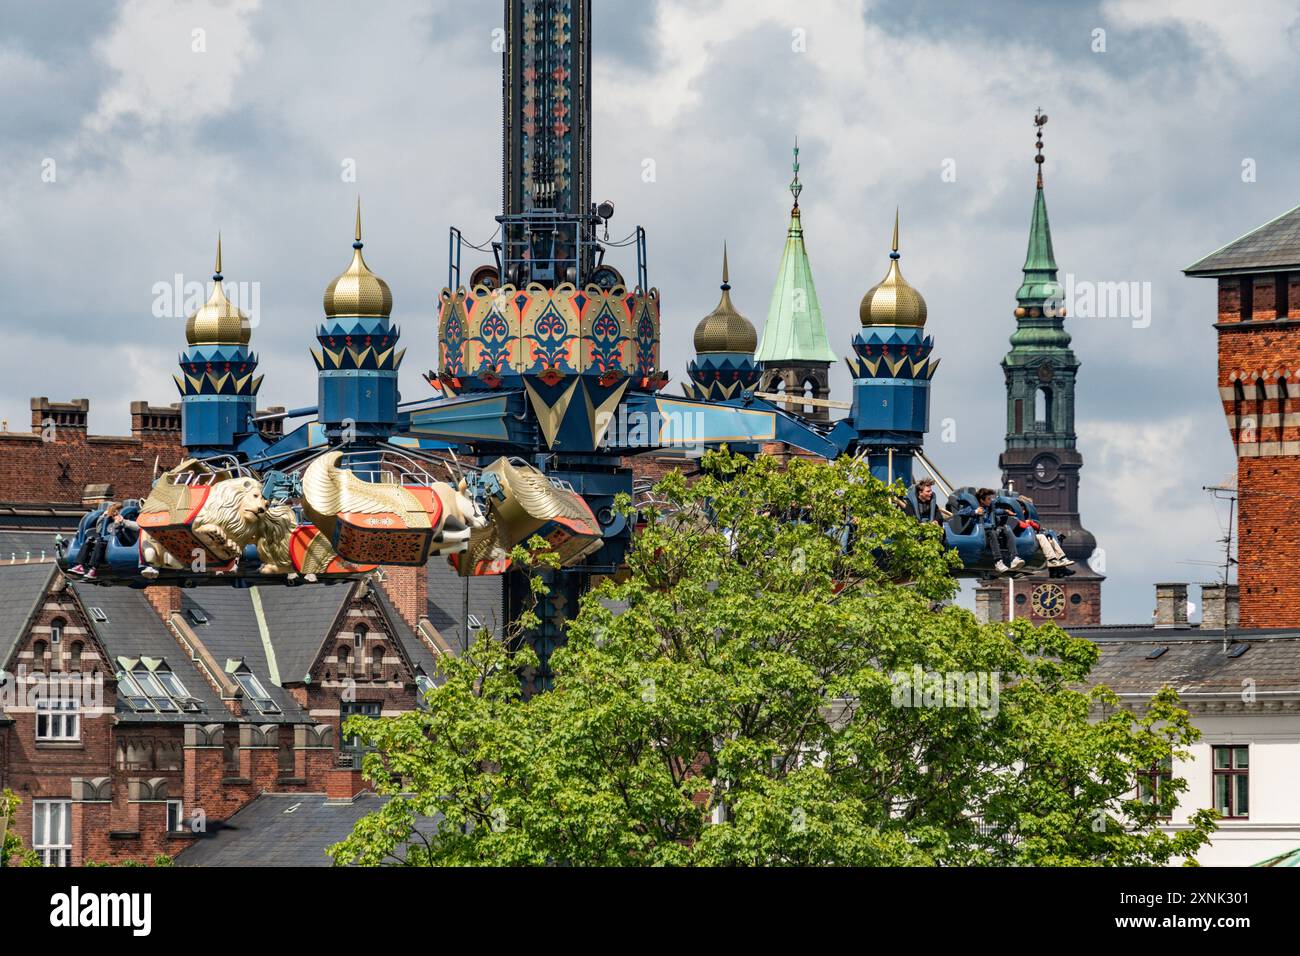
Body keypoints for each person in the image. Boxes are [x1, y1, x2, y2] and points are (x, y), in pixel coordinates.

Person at [957, 488, 1024, 574]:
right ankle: (998, 562)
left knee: (1007, 529)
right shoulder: (974, 507)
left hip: (992, 528)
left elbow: (996, 511)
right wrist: (975, 512)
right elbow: (960, 513)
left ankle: (1014, 558)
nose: (990, 500)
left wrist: (1006, 511)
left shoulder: (989, 508)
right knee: (991, 532)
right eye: (988, 499)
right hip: (982, 532)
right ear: (982, 500)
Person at [1014, 495, 1074, 570]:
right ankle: (1051, 560)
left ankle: (1062, 557)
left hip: (1030, 535)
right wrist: (1028, 523)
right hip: (1022, 536)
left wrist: (1030, 523)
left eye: (1024, 509)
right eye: (1022, 509)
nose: (1024, 511)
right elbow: (1021, 525)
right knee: (1041, 537)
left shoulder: (1026, 518)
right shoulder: (1015, 516)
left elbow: (1037, 526)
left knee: (1049, 537)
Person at [68, 502, 121, 581]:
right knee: (89, 541)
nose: (115, 513)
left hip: (114, 542)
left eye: (117, 511)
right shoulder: (108, 520)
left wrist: (117, 523)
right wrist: (102, 517)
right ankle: (80, 566)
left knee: (100, 543)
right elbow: (99, 530)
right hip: (104, 539)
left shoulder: (121, 520)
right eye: (113, 511)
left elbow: (115, 533)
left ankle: (93, 569)